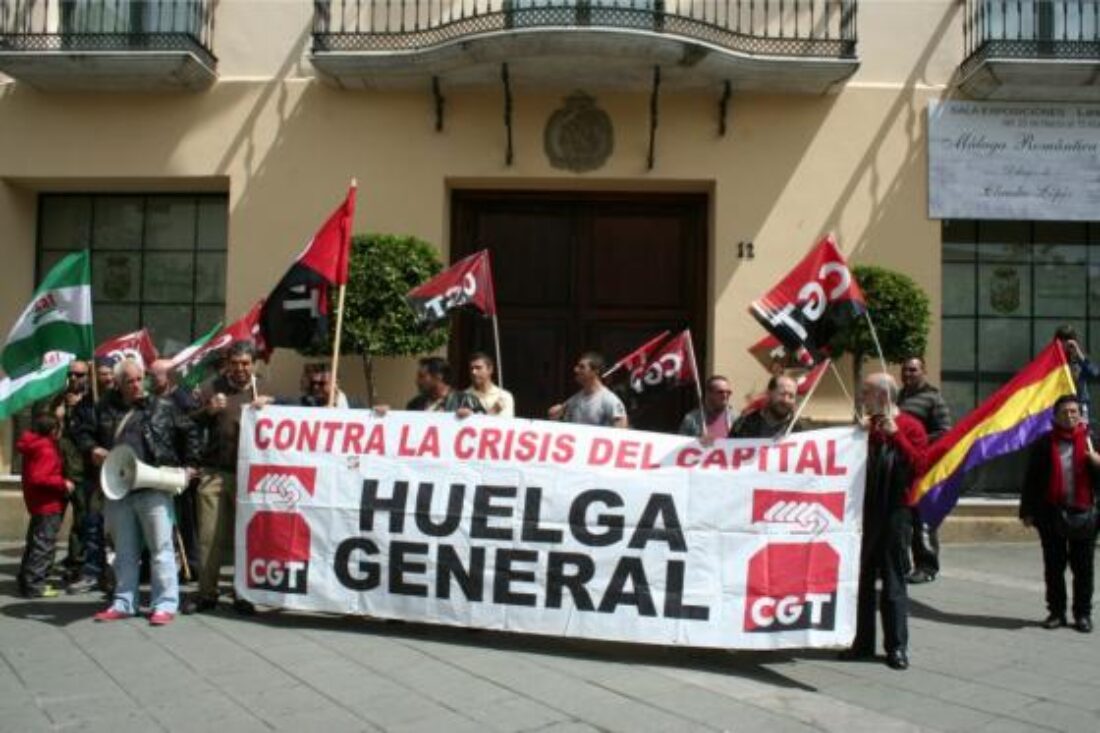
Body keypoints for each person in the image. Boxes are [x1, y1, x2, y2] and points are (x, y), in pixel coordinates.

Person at [90, 360, 201, 625]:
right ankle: (124, 602)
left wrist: (190, 466)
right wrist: (91, 448)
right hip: (120, 488)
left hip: (153, 485)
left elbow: (190, 431)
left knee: (161, 549)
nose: (138, 384)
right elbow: (83, 432)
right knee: (124, 552)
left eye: (140, 379)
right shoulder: (103, 408)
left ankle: (164, 604)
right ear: (118, 383)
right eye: (130, 380)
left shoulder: (162, 406)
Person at [842, 373, 927, 671]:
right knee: (861, 581)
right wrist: (856, 435)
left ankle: (896, 647)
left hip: (895, 514)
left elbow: (920, 465)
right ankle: (861, 643)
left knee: (893, 581)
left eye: (866, 392)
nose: (862, 397)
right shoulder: (865, 428)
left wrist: (896, 435)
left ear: (882, 396)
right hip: (863, 514)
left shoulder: (911, 426)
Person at [183, 341, 266, 615]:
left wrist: (271, 406)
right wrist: (207, 410)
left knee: (247, 537)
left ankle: (244, 593)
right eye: (235, 363)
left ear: (253, 364)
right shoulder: (211, 388)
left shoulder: (264, 389)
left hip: (251, 477)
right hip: (215, 473)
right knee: (209, 537)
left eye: (245, 363)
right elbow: (186, 423)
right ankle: (207, 592)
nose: (240, 368)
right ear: (227, 363)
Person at [1020, 394, 1099, 633]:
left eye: (1074, 411)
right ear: (1055, 416)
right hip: (1051, 513)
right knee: (1054, 567)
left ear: (1080, 414)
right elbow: (1031, 480)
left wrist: (1097, 462)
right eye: (1064, 412)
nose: (1070, 416)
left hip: (1085, 514)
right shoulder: (1045, 443)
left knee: (1083, 568)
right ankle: (1056, 612)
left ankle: (1083, 614)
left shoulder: (1091, 441)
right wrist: (1027, 511)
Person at [898, 356, 952, 585]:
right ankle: (902, 564)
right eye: (905, 370)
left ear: (923, 371)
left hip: (924, 468)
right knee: (902, 518)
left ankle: (927, 566)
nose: (908, 374)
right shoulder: (900, 396)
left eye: (913, 370)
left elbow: (945, 431)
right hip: (902, 467)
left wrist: (917, 440)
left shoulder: (933, 398)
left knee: (923, 518)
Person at [15, 403, 75, 599]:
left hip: (37, 503)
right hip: (48, 504)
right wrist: (63, 484)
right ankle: (35, 585)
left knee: (35, 542)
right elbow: (40, 477)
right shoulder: (46, 449)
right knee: (44, 544)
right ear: (52, 430)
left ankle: (26, 579)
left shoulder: (33, 444)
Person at [149, 358, 202, 577]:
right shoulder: (151, 399)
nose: (149, 380)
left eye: (154, 376)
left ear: (168, 376)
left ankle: (192, 565)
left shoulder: (183, 401)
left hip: (180, 469)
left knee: (185, 520)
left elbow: (191, 433)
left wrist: (191, 464)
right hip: (159, 468)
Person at [548, 352, 628, 428]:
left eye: (582, 367)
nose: (576, 370)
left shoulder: (609, 400)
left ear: (595, 371)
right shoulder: (575, 399)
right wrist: (555, 414)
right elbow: (558, 416)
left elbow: (621, 429)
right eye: (577, 366)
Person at [729, 375, 802, 438]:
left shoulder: (802, 430)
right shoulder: (743, 425)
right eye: (782, 394)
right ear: (769, 393)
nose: (786, 400)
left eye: (791, 396)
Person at [1055, 325, 1100, 425]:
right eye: (1062, 340)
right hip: (1060, 405)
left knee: (1081, 435)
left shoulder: (1079, 359)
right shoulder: (1053, 360)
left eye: (1068, 340)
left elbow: (1094, 373)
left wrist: (1078, 354)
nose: (1064, 344)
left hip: (1080, 404)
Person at [406, 357, 484, 414]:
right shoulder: (414, 405)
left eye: (422, 376)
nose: (417, 381)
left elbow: (483, 425)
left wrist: (471, 416)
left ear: (438, 376)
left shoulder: (465, 401)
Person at [465, 352, 514, 417]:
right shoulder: (464, 397)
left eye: (478, 368)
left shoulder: (505, 396)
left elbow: (506, 425)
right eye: (471, 369)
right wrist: (493, 411)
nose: (473, 372)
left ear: (490, 369)